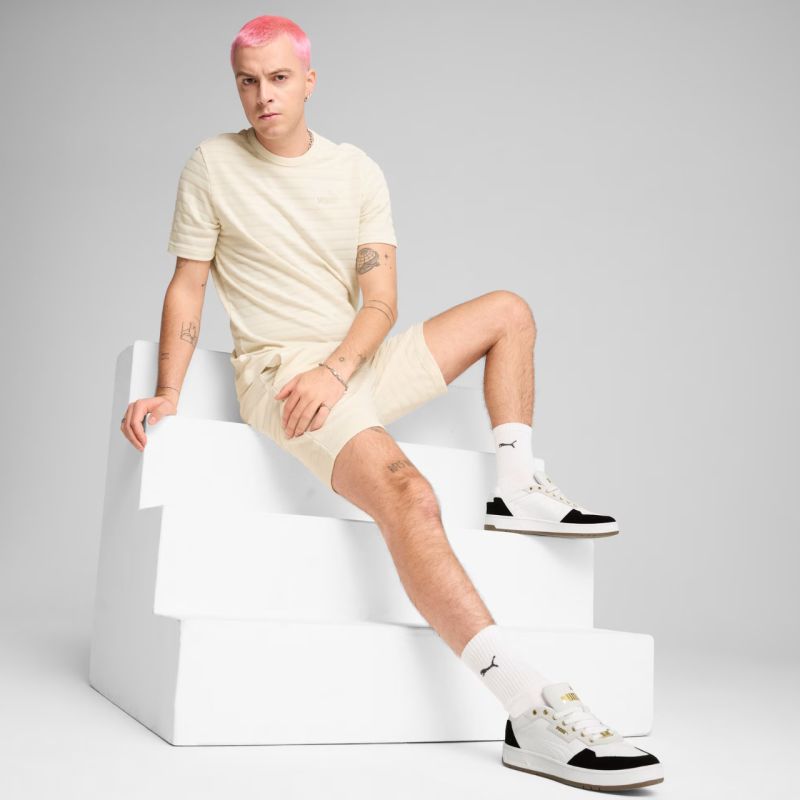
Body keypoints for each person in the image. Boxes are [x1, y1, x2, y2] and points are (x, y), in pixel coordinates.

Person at [119, 14, 663, 792]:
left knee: (508, 311)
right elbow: (189, 284)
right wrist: (169, 392)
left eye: (279, 78)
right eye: (248, 81)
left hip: (353, 361)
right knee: (410, 495)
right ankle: (528, 708)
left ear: (309, 81)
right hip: (284, 377)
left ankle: (515, 486)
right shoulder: (213, 164)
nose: (263, 96)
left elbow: (381, 302)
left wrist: (341, 369)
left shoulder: (356, 170)